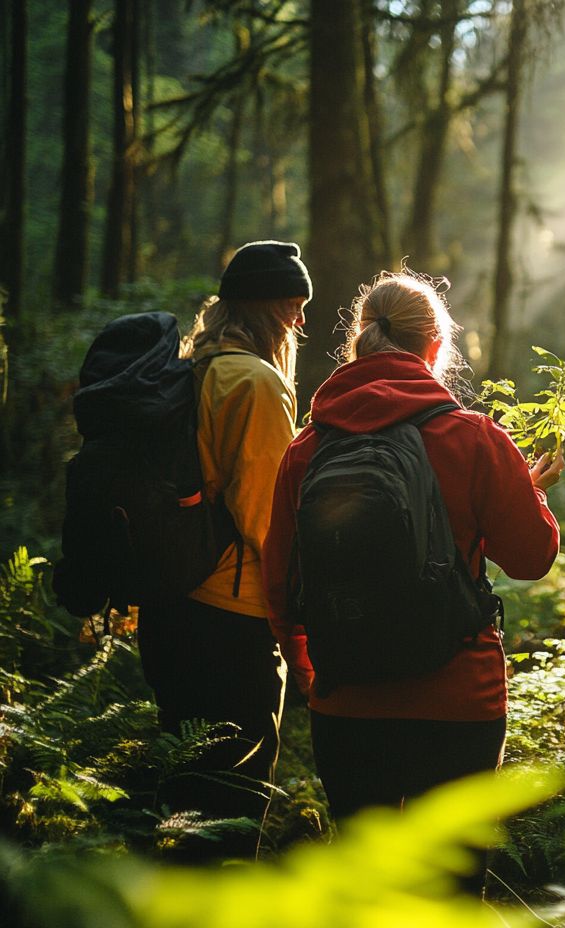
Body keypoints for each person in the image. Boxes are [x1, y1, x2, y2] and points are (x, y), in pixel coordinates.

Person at [261, 271, 562, 841]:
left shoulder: (307, 448)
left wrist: (310, 672)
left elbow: (281, 580)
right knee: (451, 888)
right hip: (458, 701)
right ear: (435, 346)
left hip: (346, 702)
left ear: (361, 342)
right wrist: (532, 491)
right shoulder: (474, 437)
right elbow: (531, 557)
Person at [136, 240, 310, 860]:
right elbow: (267, 519)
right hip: (230, 623)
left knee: (181, 796)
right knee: (231, 807)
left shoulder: (191, 369)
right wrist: (300, 612)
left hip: (168, 604)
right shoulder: (256, 383)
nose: (299, 324)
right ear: (272, 312)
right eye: (294, 309)